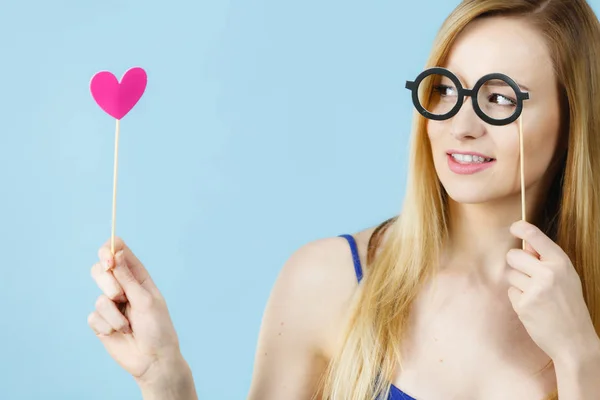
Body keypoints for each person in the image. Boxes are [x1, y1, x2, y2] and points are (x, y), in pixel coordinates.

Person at [87, 0, 600, 399]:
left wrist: (580, 358)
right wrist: (164, 375)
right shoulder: (328, 281)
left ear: (572, 119)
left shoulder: (587, 320)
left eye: (501, 99)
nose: (461, 125)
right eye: (446, 89)